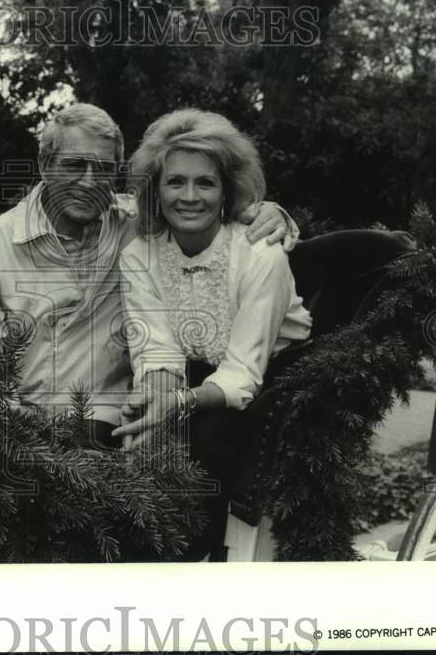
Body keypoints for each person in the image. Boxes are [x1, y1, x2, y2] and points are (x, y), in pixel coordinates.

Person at [0, 103, 299, 449]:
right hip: (14, 420)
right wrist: (12, 431)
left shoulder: (135, 227)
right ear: (44, 165)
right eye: (74, 165)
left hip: (102, 417)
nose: (88, 182)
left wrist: (272, 212)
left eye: (103, 168)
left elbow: (195, 208)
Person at [111, 108, 312, 560]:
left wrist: (178, 403)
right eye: (175, 181)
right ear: (155, 190)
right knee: (134, 428)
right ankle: (139, 547)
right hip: (195, 372)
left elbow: (242, 372)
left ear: (227, 192)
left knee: (208, 428)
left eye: (205, 183)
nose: (189, 196)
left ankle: (194, 554)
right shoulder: (140, 252)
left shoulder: (262, 255)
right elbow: (158, 348)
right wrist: (155, 402)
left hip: (272, 376)